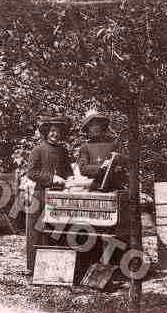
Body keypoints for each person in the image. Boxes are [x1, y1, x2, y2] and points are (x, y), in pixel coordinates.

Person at [25, 116, 73, 274]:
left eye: (58, 132)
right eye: (52, 131)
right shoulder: (37, 150)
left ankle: (53, 268)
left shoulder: (63, 151)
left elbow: (69, 172)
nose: (55, 134)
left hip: (59, 196)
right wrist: (52, 178)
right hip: (40, 195)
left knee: (56, 231)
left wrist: (71, 179)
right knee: (35, 231)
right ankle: (32, 267)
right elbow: (31, 173)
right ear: (46, 133)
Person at [78, 110, 126, 191]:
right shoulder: (85, 146)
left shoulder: (114, 142)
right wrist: (102, 167)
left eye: (97, 124)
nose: (95, 128)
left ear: (102, 126)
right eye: (91, 126)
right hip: (96, 187)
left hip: (116, 187)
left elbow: (126, 161)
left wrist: (117, 159)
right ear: (88, 129)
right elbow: (83, 169)